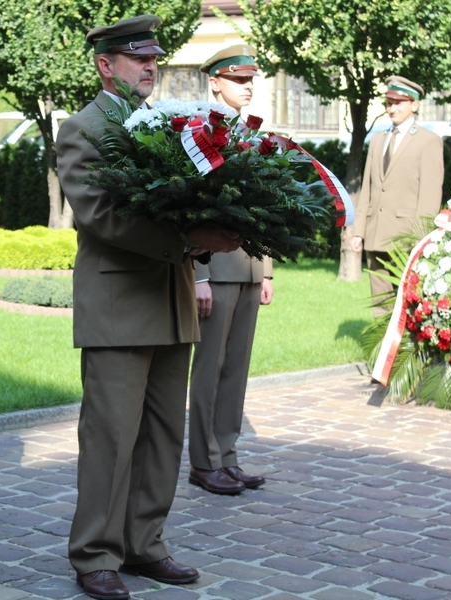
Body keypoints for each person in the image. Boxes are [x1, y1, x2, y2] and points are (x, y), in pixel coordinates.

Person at [56, 15, 242, 600]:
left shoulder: (170, 124)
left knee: (164, 433)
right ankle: (95, 555)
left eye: (154, 58)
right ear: (105, 65)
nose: (150, 67)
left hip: (170, 299)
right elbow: (100, 215)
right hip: (118, 301)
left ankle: (145, 542)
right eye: (138, 59)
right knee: (111, 435)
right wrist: (189, 244)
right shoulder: (83, 128)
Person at [187, 45, 274, 496]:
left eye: (251, 80)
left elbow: (265, 209)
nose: (248, 87)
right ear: (215, 82)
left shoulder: (253, 132)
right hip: (214, 269)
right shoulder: (200, 131)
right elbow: (193, 209)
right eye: (239, 80)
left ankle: (227, 455)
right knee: (210, 368)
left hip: (247, 268)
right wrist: (198, 275)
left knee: (236, 368)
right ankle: (204, 462)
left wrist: (267, 271)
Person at [350, 76, 444, 317]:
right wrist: (359, 230)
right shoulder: (378, 140)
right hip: (376, 233)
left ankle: (410, 353)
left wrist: (420, 237)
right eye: (389, 103)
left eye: (399, 102)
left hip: (406, 238)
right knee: (381, 304)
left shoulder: (428, 141)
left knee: (411, 303)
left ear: (415, 105)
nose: (392, 108)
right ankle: (383, 353)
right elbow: (369, 190)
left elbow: (429, 197)